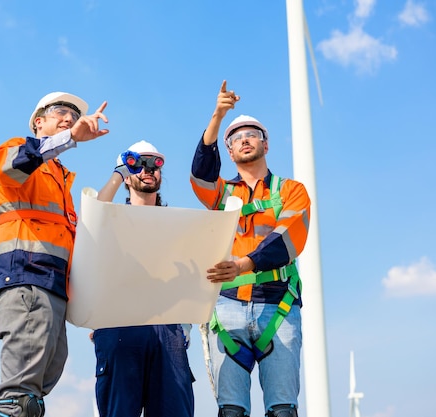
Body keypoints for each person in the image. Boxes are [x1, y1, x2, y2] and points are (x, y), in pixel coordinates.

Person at [190, 81, 311, 417]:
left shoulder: (292, 190)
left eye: (251, 133)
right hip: (228, 307)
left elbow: (287, 238)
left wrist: (244, 264)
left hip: (279, 306)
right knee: (231, 411)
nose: (244, 139)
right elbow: (200, 175)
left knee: (283, 410)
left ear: (266, 144)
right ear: (228, 151)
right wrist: (217, 116)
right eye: (236, 137)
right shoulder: (222, 193)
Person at [0, 91, 109, 417]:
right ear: (38, 122)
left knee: (37, 393)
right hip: (27, 275)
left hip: (53, 285)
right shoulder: (17, 152)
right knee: (21, 398)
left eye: (73, 114)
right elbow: (15, 165)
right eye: (60, 111)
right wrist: (70, 137)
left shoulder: (61, 180)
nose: (68, 117)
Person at [91, 140, 195, 417]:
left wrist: (185, 327)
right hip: (119, 323)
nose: (148, 170)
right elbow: (92, 216)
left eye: (155, 164)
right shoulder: (110, 218)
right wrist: (120, 172)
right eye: (139, 164)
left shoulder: (179, 227)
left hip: (168, 327)